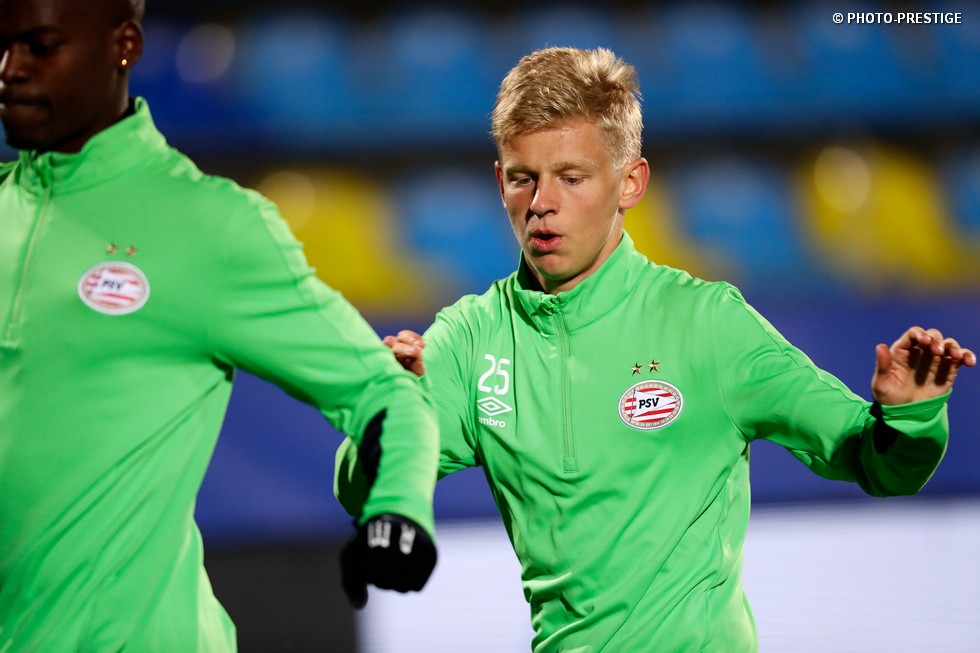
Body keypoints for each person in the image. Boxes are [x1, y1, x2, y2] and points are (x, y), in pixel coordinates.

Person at [335, 46, 976, 652]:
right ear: (500, 180)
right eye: (524, 179)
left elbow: (877, 463)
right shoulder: (472, 340)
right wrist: (383, 419)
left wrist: (910, 417)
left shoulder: (709, 324)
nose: (542, 204)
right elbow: (366, 493)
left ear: (630, 182)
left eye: (572, 177)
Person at [0, 0, 439, 650]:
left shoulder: (211, 227)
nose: (10, 69)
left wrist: (397, 510)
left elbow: (384, 392)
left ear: (124, 44)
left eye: (40, 46)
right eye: (2, 45)